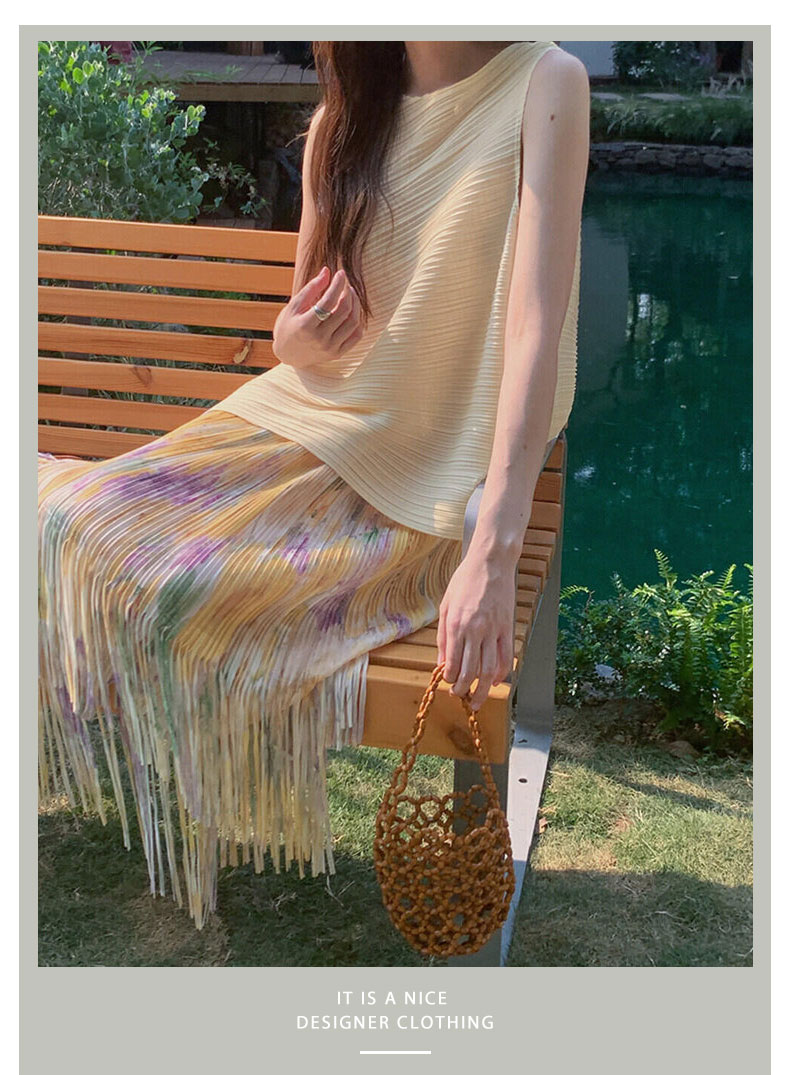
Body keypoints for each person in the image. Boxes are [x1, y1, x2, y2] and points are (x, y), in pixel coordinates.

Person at [38, 40, 590, 930]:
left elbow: (535, 325)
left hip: (417, 488)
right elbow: (296, 334)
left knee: (184, 586)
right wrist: (295, 335)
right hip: (294, 427)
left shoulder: (546, 83)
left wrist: (493, 550)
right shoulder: (344, 119)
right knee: (64, 516)